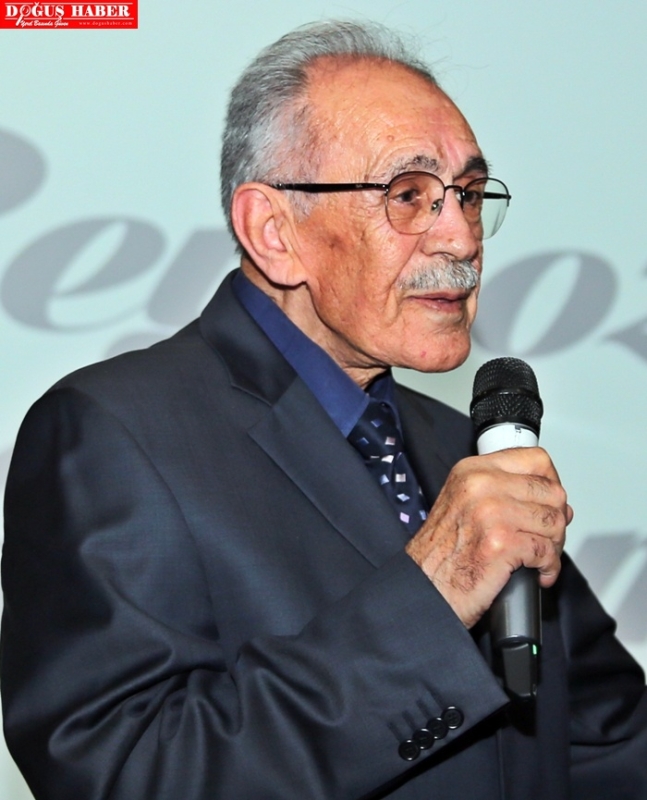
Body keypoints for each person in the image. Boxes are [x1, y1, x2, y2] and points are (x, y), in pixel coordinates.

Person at [2, 19, 646, 800]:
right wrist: (430, 599)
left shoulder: (462, 446)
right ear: (273, 231)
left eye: (469, 195)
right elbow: (125, 774)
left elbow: (606, 742)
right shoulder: (112, 433)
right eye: (408, 195)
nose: (461, 239)